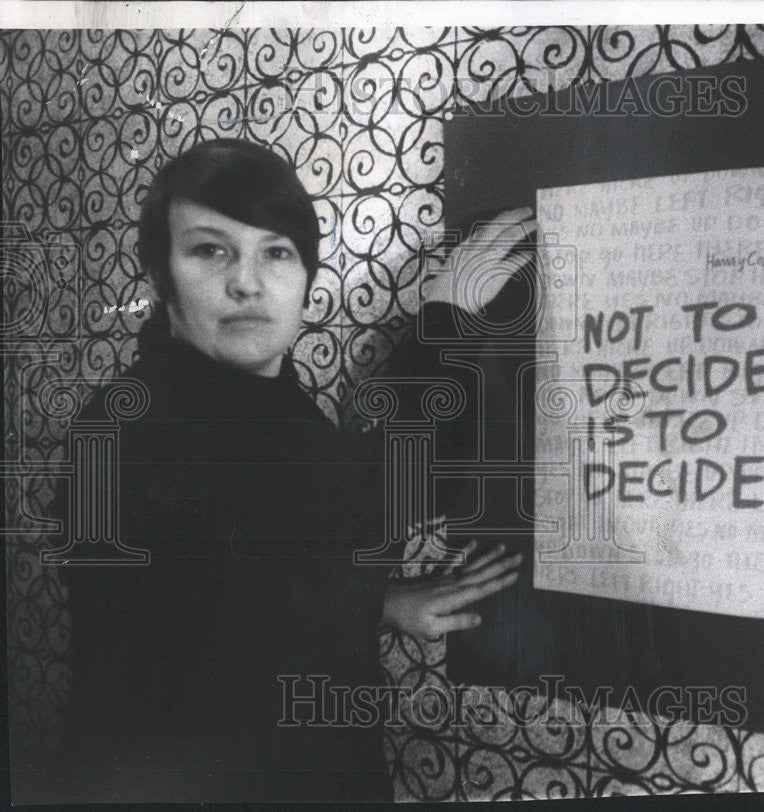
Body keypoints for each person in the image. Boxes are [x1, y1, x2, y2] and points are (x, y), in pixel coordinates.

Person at [54, 138, 536, 803]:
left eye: (275, 252)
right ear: (162, 279)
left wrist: (377, 601)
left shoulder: (242, 396)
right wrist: (445, 317)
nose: (247, 281)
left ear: (307, 277)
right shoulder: (147, 420)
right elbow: (388, 487)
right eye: (209, 249)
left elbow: (234, 576)